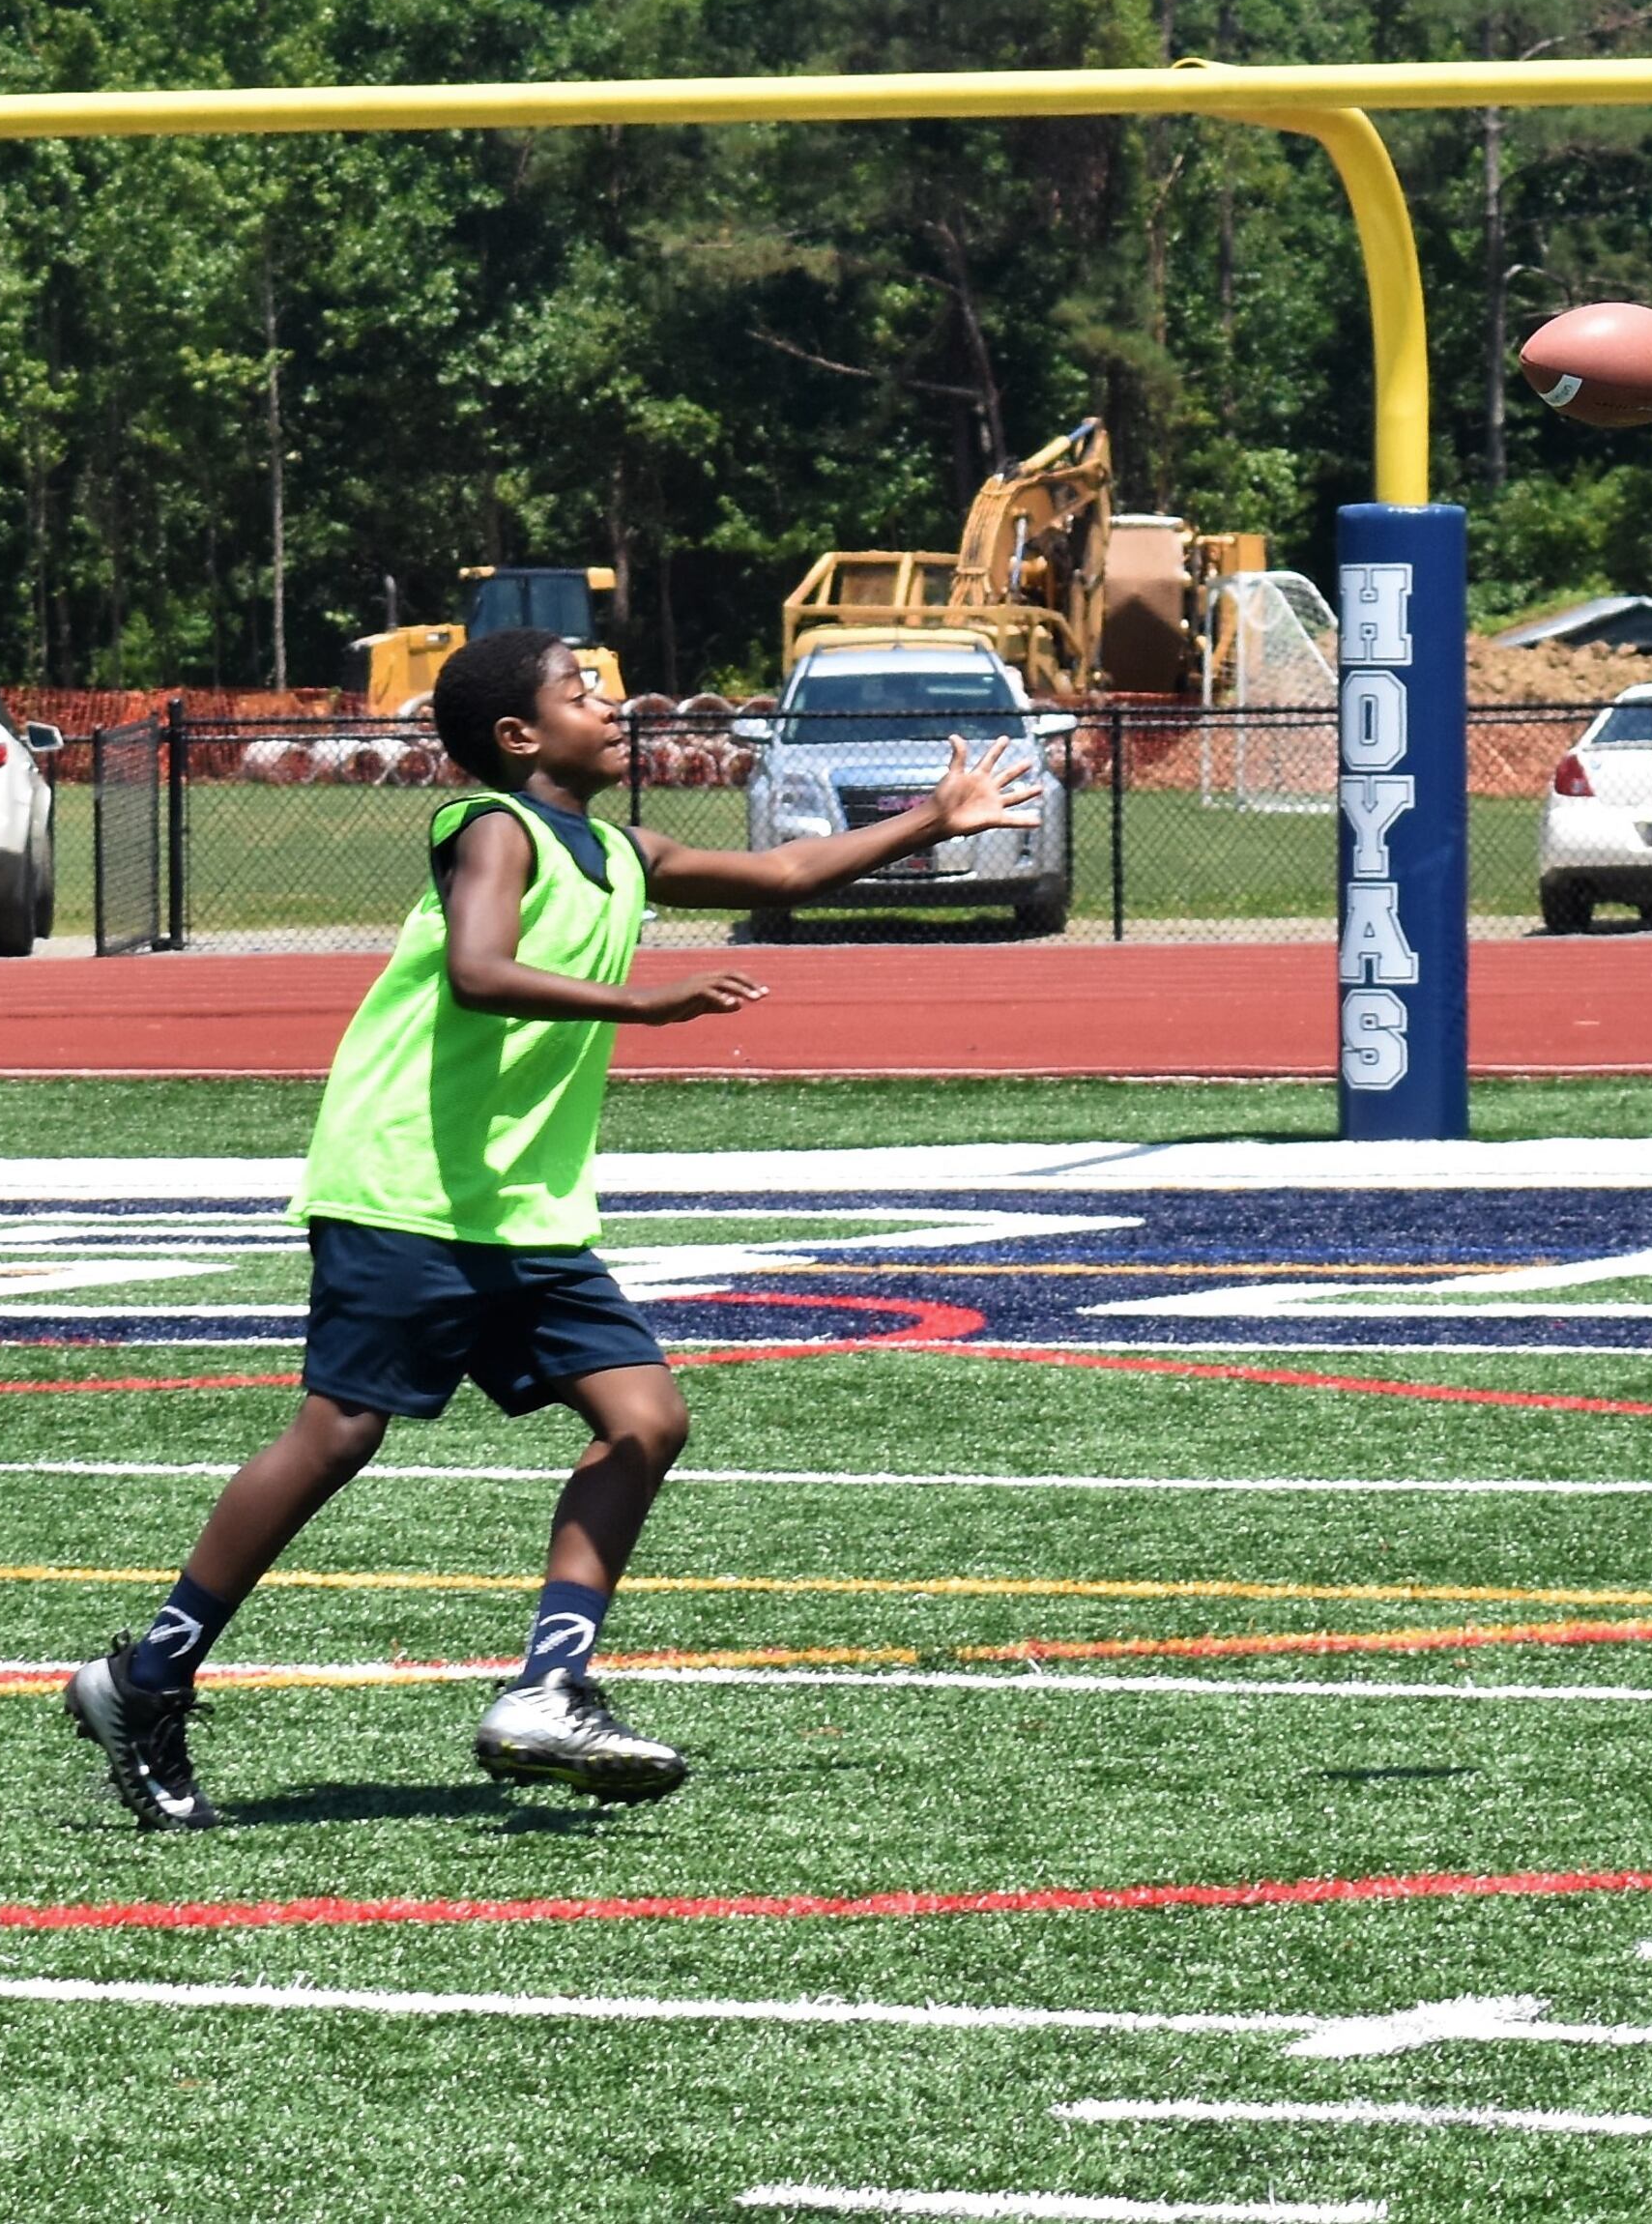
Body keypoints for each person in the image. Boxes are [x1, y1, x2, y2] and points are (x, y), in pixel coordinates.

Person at [63, 627, 1042, 1828]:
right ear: (519, 736)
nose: (610, 702)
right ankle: (145, 1674)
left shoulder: (623, 851)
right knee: (338, 1433)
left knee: (645, 1419)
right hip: (405, 1185)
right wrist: (645, 998)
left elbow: (786, 874)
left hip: (522, 1208)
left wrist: (937, 819)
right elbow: (478, 967)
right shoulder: (494, 826)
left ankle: (547, 1687)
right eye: (582, 691)